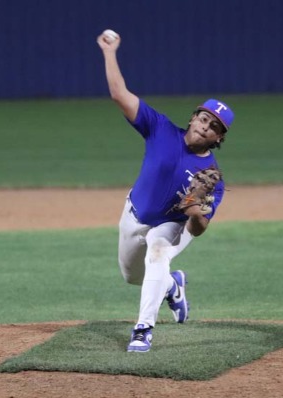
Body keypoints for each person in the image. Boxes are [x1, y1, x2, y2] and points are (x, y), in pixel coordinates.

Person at [96, 30, 234, 353]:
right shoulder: (160, 129)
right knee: (133, 276)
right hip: (134, 215)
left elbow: (198, 229)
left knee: (158, 252)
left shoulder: (211, 177)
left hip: (171, 224)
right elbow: (119, 94)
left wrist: (195, 211)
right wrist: (109, 52)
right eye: (204, 118)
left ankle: (143, 330)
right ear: (193, 118)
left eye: (214, 126)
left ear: (218, 139)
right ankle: (173, 286)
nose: (206, 125)